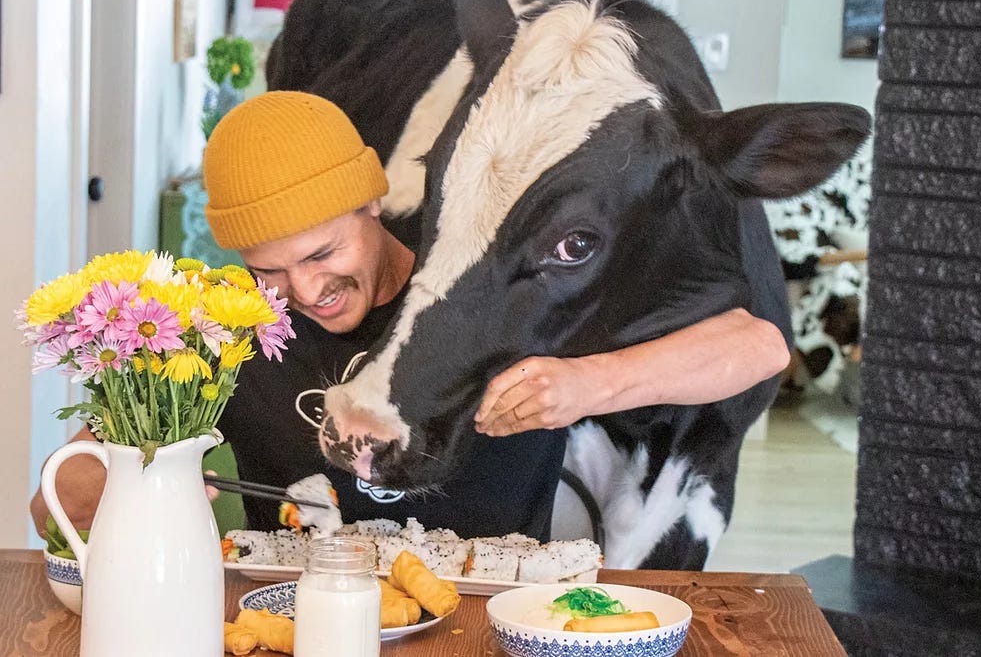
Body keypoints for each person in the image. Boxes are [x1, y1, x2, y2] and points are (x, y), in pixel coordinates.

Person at [30, 91, 789, 540]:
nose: (302, 289)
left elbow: (756, 346)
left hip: (485, 623)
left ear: (370, 198)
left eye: (324, 252)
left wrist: (586, 384)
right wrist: (123, 492)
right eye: (267, 268)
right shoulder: (220, 326)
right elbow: (53, 500)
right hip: (291, 628)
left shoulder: (491, 274)